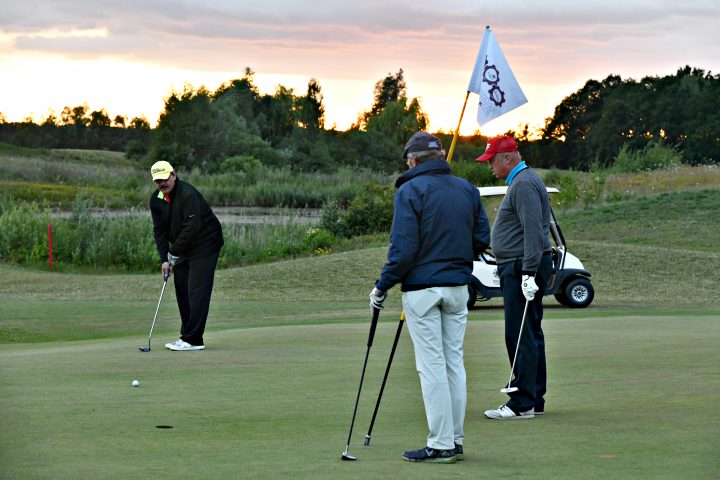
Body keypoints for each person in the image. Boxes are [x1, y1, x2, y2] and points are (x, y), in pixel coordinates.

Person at [370, 132, 491, 463]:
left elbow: (404, 249)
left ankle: (440, 444)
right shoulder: (467, 189)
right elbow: (482, 237)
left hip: (423, 291)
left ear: (412, 160)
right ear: (438, 157)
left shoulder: (410, 189)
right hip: (458, 289)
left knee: (432, 367)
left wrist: (382, 285)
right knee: (454, 362)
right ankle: (455, 439)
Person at [475, 135, 553, 419]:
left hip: (522, 266)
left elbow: (533, 230)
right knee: (529, 332)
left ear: (508, 158)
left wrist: (529, 271)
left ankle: (522, 404)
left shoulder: (523, 184)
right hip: (522, 264)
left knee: (519, 334)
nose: (490, 168)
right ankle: (534, 397)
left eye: (493, 162)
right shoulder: (525, 181)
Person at [149, 160, 224, 351]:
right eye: (158, 181)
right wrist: (165, 259)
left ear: (173, 175)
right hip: (182, 246)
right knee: (182, 289)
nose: (162, 183)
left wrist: (173, 252)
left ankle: (194, 339)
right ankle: (186, 336)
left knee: (197, 289)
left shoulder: (188, 195)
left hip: (205, 243)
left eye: (165, 178)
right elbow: (160, 231)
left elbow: (192, 228)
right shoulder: (157, 199)